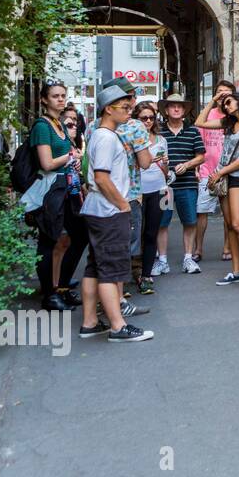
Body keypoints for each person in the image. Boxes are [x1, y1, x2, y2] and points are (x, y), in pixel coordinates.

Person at [78, 84, 154, 342]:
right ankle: (118, 326)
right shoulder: (107, 137)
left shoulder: (100, 134)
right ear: (108, 109)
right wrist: (122, 205)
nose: (129, 110)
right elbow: (101, 177)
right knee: (110, 267)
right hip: (109, 210)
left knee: (95, 266)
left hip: (98, 208)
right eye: (124, 107)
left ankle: (90, 322)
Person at [197, 91, 239, 288]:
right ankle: (236, 270)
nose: (226, 106)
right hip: (224, 176)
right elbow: (200, 122)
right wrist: (213, 101)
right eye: (224, 105)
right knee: (230, 225)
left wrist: (220, 171)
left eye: (229, 102)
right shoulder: (228, 123)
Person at [27, 82, 81, 311]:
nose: (60, 99)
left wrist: (75, 158)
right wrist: (70, 156)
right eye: (55, 96)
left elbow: (68, 155)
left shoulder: (59, 123)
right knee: (48, 242)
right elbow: (47, 163)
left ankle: (62, 286)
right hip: (50, 191)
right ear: (44, 100)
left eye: (63, 95)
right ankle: (49, 294)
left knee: (80, 236)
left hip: (67, 190)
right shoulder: (42, 126)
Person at [101, 77, 153, 318]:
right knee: (123, 249)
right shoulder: (134, 127)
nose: (132, 103)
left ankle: (104, 304)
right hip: (126, 194)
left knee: (101, 253)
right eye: (130, 98)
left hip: (99, 197)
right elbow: (144, 162)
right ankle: (119, 301)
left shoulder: (96, 126)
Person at [159, 93, 206, 272]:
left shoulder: (192, 131)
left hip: (187, 185)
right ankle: (162, 260)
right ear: (166, 110)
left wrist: (187, 165)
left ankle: (188, 257)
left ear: (184, 110)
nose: (176, 109)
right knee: (162, 222)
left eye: (180, 106)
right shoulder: (159, 132)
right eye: (172, 106)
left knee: (190, 221)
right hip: (164, 187)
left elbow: (201, 156)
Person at [195, 80, 234, 263]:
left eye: (227, 92)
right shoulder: (209, 114)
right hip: (207, 169)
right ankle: (198, 248)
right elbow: (199, 136)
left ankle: (227, 247)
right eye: (220, 92)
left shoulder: (234, 117)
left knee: (228, 214)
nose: (223, 95)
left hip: (227, 171)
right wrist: (198, 166)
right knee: (202, 211)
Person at [132, 102, 169, 295]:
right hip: (136, 192)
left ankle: (146, 274)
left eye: (151, 118)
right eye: (143, 118)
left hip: (160, 189)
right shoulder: (131, 139)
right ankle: (132, 272)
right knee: (134, 234)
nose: (147, 121)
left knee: (152, 232)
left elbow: (166, 171)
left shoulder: (161, 140)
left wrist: (164, 164)